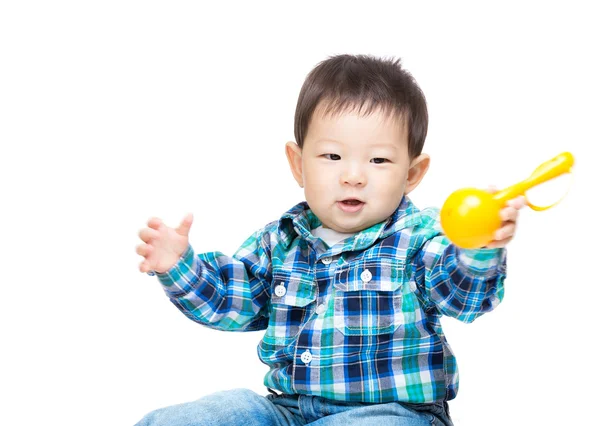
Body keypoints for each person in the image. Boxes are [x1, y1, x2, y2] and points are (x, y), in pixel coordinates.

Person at [135, 54, 524, 426]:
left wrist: (478, 248)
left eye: (379, 161)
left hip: (395, 413)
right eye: (332, 156)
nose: (353, 176)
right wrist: (179, 265)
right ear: (297, 163)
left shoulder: (419, 239)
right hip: (287, 410)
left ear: (412, 173)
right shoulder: (280, 242)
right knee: (193, 419)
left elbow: (461, 294)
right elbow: (230, 300)